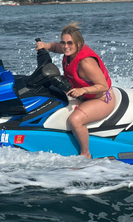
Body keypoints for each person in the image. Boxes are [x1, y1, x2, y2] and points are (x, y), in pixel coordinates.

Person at [36, 22, 116, 159]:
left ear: (79, 44)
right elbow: (55, 47)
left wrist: (82, 90)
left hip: (102, 98)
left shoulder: (86, 63)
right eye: (63, 42)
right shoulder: (69, 50)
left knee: (75, 120)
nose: (65, 46)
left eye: (69, 43)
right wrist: (45, 45)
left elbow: (103, 86)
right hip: (85, 95)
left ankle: (86, 153)